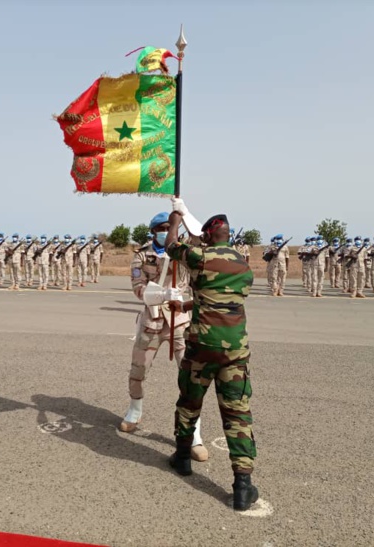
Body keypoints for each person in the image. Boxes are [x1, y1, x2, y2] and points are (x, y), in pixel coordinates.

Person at [165, 199, 259, 511]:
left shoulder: (200, 255)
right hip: (234, 351)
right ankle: (242, 485)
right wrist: (189, 305)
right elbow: (223, 300)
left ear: (207, 235)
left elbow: (170, 246)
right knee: (237, 414)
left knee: (190, 402)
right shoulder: (245, 267)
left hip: (201, 348)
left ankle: (181, 458)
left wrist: (176, 220)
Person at [119, 211, 208, 461]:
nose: (167, 229)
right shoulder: (141, 255)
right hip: (153, 321)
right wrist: (159, 294)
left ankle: (194, 434)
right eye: (163, 227)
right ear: (152, 230)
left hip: (181, 321)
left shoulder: (184, 249)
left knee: (190, 376)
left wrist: (184, 215)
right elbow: (138, 288)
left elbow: (201, 241)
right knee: (139, 370)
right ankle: (134, 410)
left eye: (171, 226)